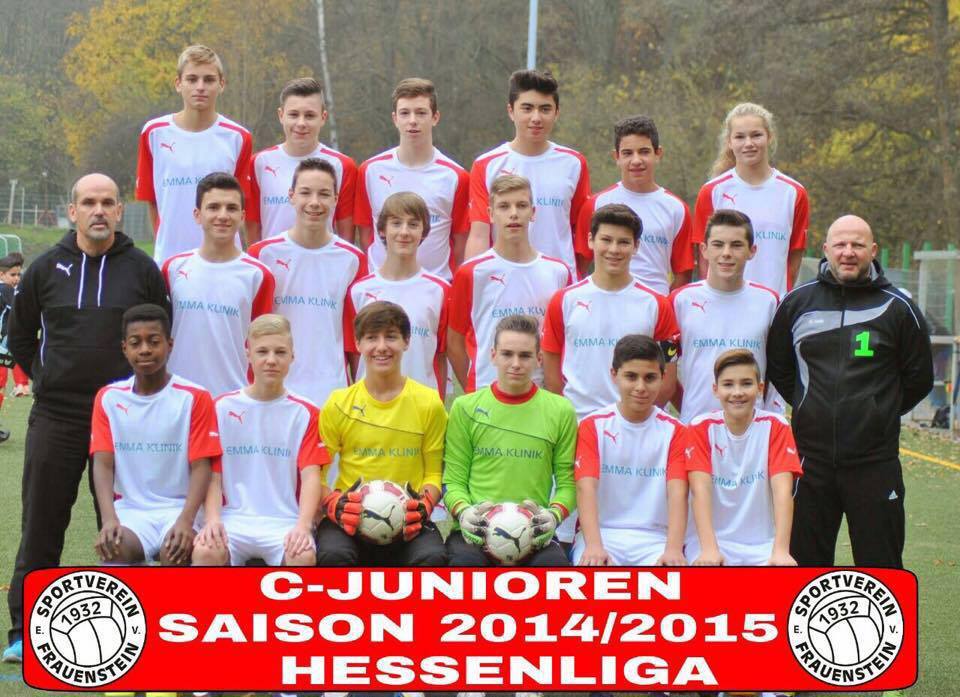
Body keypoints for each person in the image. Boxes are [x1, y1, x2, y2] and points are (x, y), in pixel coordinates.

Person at [3, 173, 170, 663]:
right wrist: (47, 377)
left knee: (122, 527)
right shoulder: (43, 269)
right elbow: (20, 337)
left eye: (108, 202)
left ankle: (131, 632)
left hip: (124, 420)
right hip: (57, 414)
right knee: (41, 522)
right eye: (89, 202)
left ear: (119, 211)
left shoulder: (142, 269)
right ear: (73, 211)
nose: (99, 210)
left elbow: (161, 336)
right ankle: (24, 631)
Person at [766, 214, 933, 568]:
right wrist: (810, 405)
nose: (848, 252)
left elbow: (919, 378)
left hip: (875, 463)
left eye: (857, 244)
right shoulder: (796, 303)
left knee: (881, 570)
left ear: (873, 250)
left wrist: (878, 410)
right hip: (810, 463)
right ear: (825, 249)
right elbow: (779, 368)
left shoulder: (898, 308)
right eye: (840, 244)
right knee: (804, 570)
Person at [317, 301, 448, 566]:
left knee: (433, 557)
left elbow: (434, 473)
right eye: (371, 338)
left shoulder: (429, 402)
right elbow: (316, 475)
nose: (381, 347)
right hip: (351, 517)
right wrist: (332, 502)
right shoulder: (338, 403)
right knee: (332, 555)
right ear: (357, 344)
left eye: (391, 336)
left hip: (408, 519)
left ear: (406, 341)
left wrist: (424, 506)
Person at [193, 314, 329, 567]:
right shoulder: (221, 407)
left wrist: (302, 525)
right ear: (248, 355)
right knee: (205, 552)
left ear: (292, 356)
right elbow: (213, 475)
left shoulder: (306, 412)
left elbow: (311, 476)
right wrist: (212, 520)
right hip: (231, 519)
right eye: (262, 351)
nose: (271, 360)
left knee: (303, 556)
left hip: (284, 521)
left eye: (280, 352)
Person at [91, 304, 219, 566]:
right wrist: (109, 519)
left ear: (169, 345)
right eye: (135, 343)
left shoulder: (195, 397)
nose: (145, 349)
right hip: (132, 511)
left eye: (154, 341)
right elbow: (103, 464)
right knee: (114, 548)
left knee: (175, 552)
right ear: (124, 348)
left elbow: (202, 467)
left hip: (179, 509)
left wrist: (185, 520)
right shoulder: (109, 398)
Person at [443, 314, 575, 567]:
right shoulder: (465, 407)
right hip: (476, 532)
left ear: (538, 359)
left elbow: (568, 483)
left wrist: (554, 515)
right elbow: (453, 480)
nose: (515, 364)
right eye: (507, 354)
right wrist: (464, 511)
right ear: (493, 355)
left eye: (525, 356)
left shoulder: (560, 410)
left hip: (534, 533)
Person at [542, 203, 679, 418]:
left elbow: (668, 379)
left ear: (636, 246)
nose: (614, 249)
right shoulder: (563, 300)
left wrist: (634, 419)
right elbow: (551, 375)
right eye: (606, 240)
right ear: (590, 240)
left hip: (636, 425)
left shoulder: (658, 305)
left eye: (623, 242)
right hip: (578, 422)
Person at [249, 158, 367, 406]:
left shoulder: (353, 259)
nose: (314, 202)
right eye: (305, 193)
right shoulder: (262, 255)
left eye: (324, 194)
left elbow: (356, 337)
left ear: (335, 199)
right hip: (274, 390)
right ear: (291, 196)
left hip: (331, 392)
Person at [573, 334, 690, 567]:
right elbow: (586, 487)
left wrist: (673, 549)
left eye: (650, 378)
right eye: (631, 376)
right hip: (602, 534)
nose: (640, 387)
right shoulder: (592, 425)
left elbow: (677, 492)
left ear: (663, 377)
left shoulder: (676, 431)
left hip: (656, 538)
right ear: (614, 375)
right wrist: (594, 546)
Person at [448, 175, 571, 393]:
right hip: (486, 394)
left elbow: (562, 342)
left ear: (533, 212)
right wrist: (474, 392)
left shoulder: (558, 272)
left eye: (521, 205)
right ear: (490, 214)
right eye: (504, 206)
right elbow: (454, 341)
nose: (513, 213)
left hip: (539, 395)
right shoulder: (471, 272)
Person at [161, 172, 275, 397]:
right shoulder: (172, 269)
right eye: (213, 207)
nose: (223, 215)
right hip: (178, 396)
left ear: (242, 216)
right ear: (197, 215)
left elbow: (262, 342)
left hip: (233, 399)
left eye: (231, 208)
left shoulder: (258, 275)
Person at [136, 44, 253, 262]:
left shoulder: (238, 137)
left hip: (224, 262)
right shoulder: (154, 133)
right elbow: (152, 201)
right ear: (178, 83)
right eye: (192, 79)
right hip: (170, 260)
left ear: (221, 84)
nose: (200, 87)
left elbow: (239, 204)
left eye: (209, 80)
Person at [466, 69, 590, 272]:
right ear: (511, 111)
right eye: (527, 108)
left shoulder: (574, 163)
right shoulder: (486, 165)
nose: (536, 117)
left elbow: (582, 235)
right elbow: (479, 234)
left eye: (545, 109)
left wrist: (573, 278)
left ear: (556, 113)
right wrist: (477, 279)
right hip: (504, 280)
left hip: (558, 282)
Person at [686, 349, 802, 567]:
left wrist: (780, 551)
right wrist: (709, 550)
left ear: (760, 388)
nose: (737, 392)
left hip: (762, 545)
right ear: (715, 390)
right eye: (728, 384)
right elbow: (700, 491)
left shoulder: (776, 426)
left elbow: (782, 492)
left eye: (746, 383)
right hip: (709, 543)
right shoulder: (700, 427)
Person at [671, 209, 781, 423]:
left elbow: (776, 372)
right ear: (704, 250)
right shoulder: (680, 301)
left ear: (752, 251)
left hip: (752, 429)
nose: (726, 253)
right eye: (718, 244)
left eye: (737, 245)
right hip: (695, 427)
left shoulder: (769, 302)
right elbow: (664, 372)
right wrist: (689, 409)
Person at [354, 78, 470, 281]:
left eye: (421, 113)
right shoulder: (370, 171)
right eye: (405, 113)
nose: (413, 120)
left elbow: (460, 242)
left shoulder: (456, 176)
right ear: (395, 118)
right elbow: (366, 235)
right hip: (382, 288)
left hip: (437, 285)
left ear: (435, 117)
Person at [692, 102, 808, 297]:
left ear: (769, 137)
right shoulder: (712, 191)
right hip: (723, 304)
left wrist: (779, 299)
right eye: (740, 137)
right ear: (729, 142)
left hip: (774, 306)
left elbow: (794, 258)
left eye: (756, 135)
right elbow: (705, 259)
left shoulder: (794, 193)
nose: (748, 143)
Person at [348, 192, 450, 399]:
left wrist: (437, 403)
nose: (404, 232)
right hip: (370, 407)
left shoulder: (440, 290)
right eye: (396, 223)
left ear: (424, 232)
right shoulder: (358, 290)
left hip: (419, 405)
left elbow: (440, 356)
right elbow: (354, 355)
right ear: (382, 230)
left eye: (413, 224)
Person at [574, 115, 694, 291]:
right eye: (627, 153)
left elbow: (683, 273)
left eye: (644, 152)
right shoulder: (595, 205)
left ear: (658, 154)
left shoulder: (677, 209)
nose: (636, 160)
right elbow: (579, 266)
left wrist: (665, 304)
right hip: (606, 302)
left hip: (656, 304)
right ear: (616, 157)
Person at [246, 77, 356, 244]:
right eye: (294, 115)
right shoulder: (258, 163)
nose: (301, 123)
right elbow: (253, 229)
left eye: (310, 115)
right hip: (273, 260)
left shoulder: (343, 166)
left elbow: (346, 238)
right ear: (281, 115)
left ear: (323, 117)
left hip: (323, 260)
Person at [0, 253, 29, 420]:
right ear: (1, 274)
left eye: (19, 275)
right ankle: (22, 385)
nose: (17, 278)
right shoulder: (7, 290)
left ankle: (22, 385)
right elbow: (20, 313)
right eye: (13, 275)